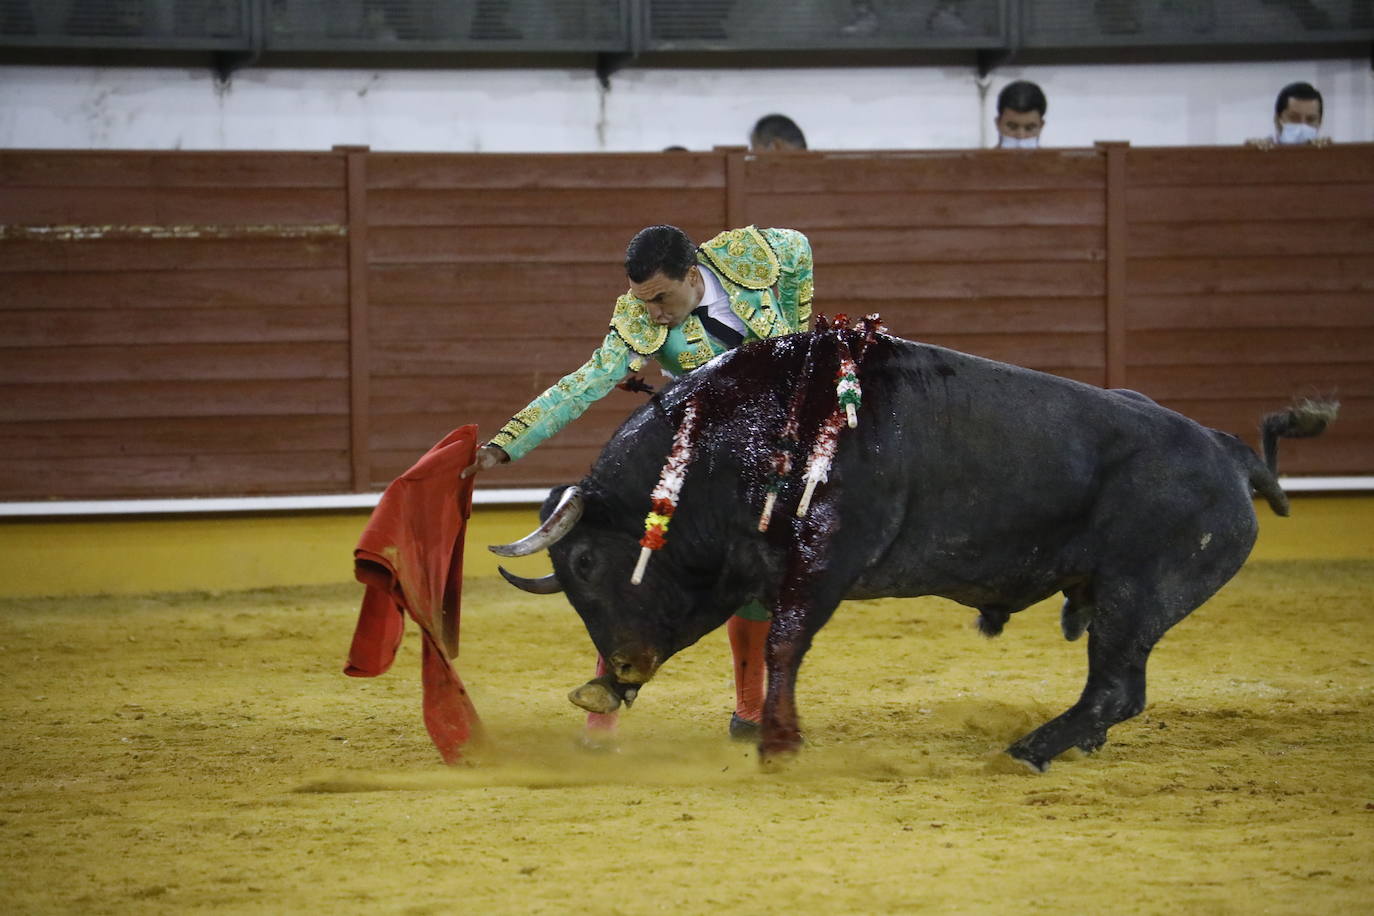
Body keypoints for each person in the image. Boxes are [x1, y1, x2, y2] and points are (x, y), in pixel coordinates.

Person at [464, 224, 815, 741]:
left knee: (760, 572)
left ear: (693, 276)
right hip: (696, 453)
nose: (653, 312)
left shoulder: (757, 257)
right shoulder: (636, 316)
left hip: (766, 455)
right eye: (643, 301)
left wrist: (802, 341)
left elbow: (799, 250)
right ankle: (600, 715)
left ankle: (750, 709)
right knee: (630, 570)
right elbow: (584, 384)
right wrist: (504, 444)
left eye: (661, 298)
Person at [994, 81, 1047, 150]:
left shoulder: (1056, 161)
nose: (1021, 136)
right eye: (1012, 127)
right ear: (998, 123)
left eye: (1029, 128)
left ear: (1041, 126)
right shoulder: (980, 161)